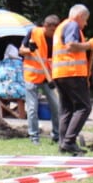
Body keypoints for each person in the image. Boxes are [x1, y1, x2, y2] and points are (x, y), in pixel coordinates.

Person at [52, 4, 93, 154]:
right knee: (84, 107)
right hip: (72, 72)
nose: (85, 24)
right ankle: (69, 141)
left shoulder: (61, 26)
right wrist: (89, 44)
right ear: (79, 16)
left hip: (60, 73)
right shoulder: (72, 25)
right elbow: (71, 46)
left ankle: (63, 143)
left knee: (66, 109)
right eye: (85, 20)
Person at [20, 15, 62, 147]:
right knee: (32, 108)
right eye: (51, 31)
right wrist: (30, 49)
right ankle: (34, 136)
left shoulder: (57, 38)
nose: (52, 33)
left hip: (48, 77)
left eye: (55, 31)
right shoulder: (33, 33)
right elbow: (21, 50)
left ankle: (57, 135)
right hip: (32, 76)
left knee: (56, 106)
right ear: (45, 26)